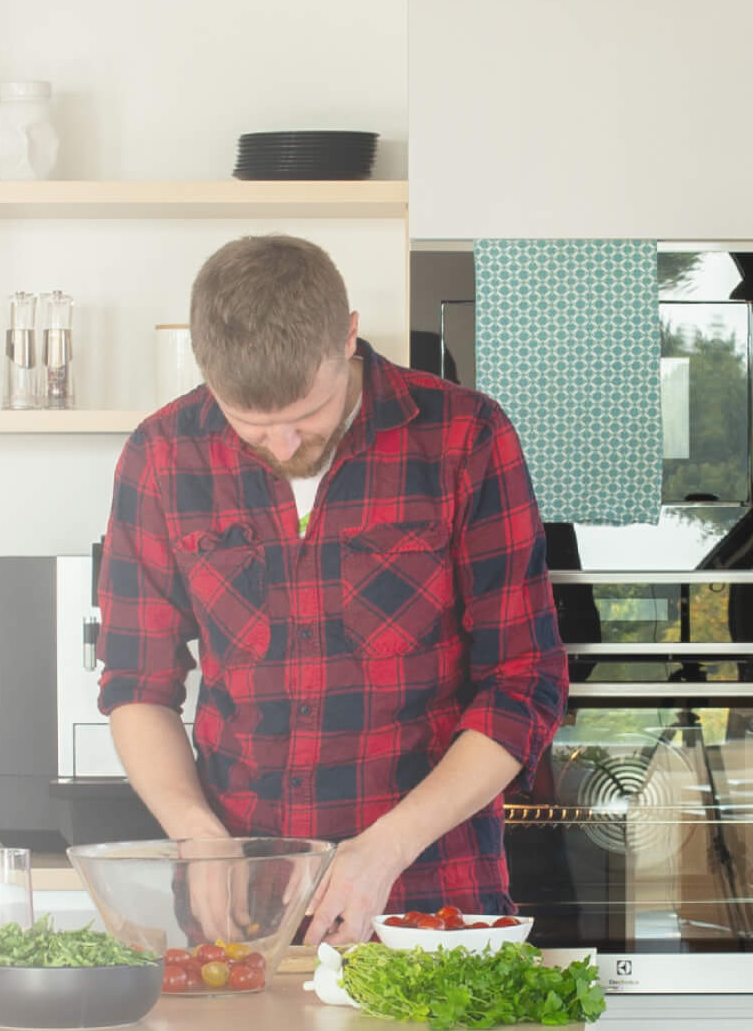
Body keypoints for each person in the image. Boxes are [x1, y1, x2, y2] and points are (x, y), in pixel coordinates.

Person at [98, 234, 567, 945]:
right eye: (251, 423)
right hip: (242, 907)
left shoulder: (464, 438)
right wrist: (197, 836)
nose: (282, 446)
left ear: (349, 335)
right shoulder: (162, 456)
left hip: (432, 895)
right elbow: (138, 684)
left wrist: (388, 845)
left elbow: (523, 683)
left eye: (305, 416)